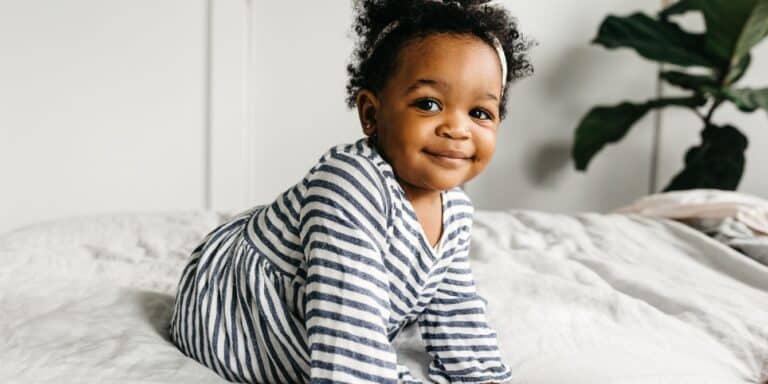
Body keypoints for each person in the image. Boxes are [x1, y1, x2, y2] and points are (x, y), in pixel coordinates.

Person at [168, 0, 533, 383]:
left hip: (341, 290)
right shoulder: (350, 185)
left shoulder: (456, 209)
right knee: (322, 353)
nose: (458, 128)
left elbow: (454, 305)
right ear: (371, 114)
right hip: (241, 307)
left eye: (480, 113)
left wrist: (484, 376)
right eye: (429, 104)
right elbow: (345, 318)